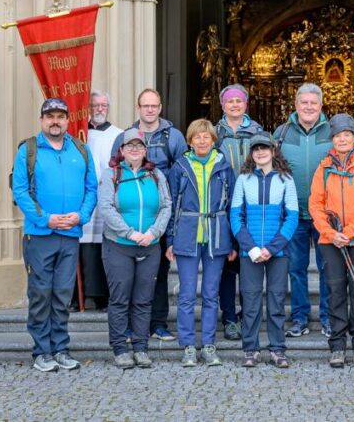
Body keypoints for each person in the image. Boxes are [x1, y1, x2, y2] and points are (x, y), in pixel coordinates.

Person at [11, 97, 98, 372]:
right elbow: (20, 190)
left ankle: (61, 348)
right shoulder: (29, 150)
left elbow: (92, 188)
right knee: (40, 293)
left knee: (62, 295)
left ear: (68, 120)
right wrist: (45, 218)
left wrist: (80, 217)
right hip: (39, 235)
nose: (55, 121)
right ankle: (42, 351)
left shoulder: (80, 149)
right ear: (42, 120)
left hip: (70, 234)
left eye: (60, 116)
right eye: (50, 117)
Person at [112, 88, 188, 343]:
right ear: (138, 108)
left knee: (159, 273)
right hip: (130, 218)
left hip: (162, 215)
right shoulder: (126, 136)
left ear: (160, 107)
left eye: (154, 106)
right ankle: (133, 325)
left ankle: (158, 322)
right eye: (145, 106)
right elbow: (114, 172)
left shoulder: (174, 136)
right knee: (131, 276)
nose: (150, 110)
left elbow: (181, 174)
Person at [309, 113, 354, 368]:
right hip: (331, 241)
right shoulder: (324, 167)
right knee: (335, 292)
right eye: (338, 135)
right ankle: (338, 345)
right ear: (332, 139)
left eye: (347, 135)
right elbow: (315, 205)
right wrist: (331, 234)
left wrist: (349, 232)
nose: (342, 139)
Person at [97, 128, 172, 369]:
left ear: (145, 150)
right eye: (130, 146)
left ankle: (141, 347)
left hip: (149, 245)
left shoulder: (156, 175)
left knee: (143, 300)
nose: (134, 150)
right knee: (120, 299)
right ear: (121, 150)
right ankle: (120, 348)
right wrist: (130, 233)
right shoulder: (112, 175)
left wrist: (154, 232)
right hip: (119, 246)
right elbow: (106, 208)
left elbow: (166, 206)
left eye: (139, 146)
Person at [166, 119, 236, 367]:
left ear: (213, 140)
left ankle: (208, 344)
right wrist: (170, 240)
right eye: (197, 137)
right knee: (186, 294)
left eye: (207, 137)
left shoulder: (224, 166)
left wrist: (233, 243)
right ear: (190, 140)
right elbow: (173, 204)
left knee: (210, 293)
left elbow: (231, 206)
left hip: (216, 235)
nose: (202, 141)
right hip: (188, 233)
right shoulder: (181, 166)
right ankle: (187, 345)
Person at [230, 133, 299, 368]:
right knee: (250, 301)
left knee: (277, 301)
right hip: (250, 253)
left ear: (273, 151)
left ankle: (278, 349)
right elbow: (235, 216)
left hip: (277, 253)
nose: (260, 152)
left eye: (264, 148)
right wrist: (250, 248)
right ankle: (250, 349)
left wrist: (271, 248)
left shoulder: (285, 179)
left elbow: (292, 217)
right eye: (256, 149)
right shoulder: (243, 179)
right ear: (252, 153)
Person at [273, 83, 334, 338]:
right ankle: (299, 317)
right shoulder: (282, 132)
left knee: (327, 268)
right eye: (304, 103)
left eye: (313, 103)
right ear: (296, 105)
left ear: (321, 106)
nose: (308, 107)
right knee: (296, 268)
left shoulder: (333, 132)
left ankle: (328, 317)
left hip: (326, 213)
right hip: (293, 213)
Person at [215, 83, 265, 342]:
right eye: (230, 101)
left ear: (246, 104)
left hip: (252, 207)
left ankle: (249, 314)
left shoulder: (258, 132)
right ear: (223, 105)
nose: (235, 105)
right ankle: (229, 318)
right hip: (223, 208)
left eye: (239, 101)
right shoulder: (214, 133)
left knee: (249, 263)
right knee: (227, 264)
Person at [75, 90, 122, 312]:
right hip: (82, 198)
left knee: (105, 244)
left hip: (109, 197)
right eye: (95, 105)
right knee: (82, 245)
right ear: (88, 108)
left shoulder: (118, 134)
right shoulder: (77, 134)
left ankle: (103, 296)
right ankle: (79, 297)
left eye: (104, 105)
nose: (100, 109)